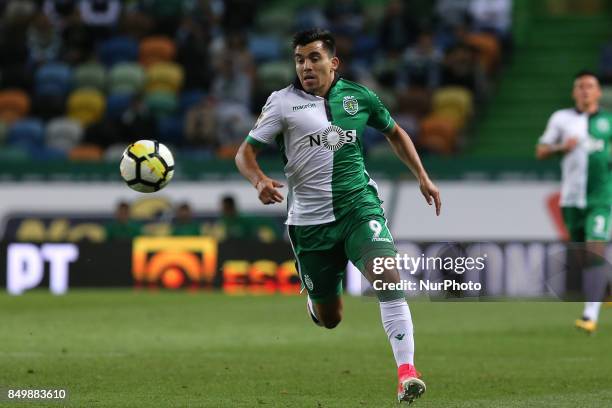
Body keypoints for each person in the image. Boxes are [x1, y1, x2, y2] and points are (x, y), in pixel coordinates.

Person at [235, 29, 441, 404]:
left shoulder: (359, 97)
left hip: (358, 207)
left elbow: (395, 133)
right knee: (331, 318)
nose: (306, 66)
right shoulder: (281, 103)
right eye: (299, 59)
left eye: (314, 58)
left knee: (387, 277)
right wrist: (259, 179)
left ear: (333, 62)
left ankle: (406, 373)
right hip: (309, 224)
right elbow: (244, 154)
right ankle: (317, 302)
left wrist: (423, 177)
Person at [535, 70, 612, 334]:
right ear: (574, 92)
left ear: (598, 92)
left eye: (590, 86)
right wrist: (561, 148)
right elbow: (541, 150)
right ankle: (607, 289)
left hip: (601, 198)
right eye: (580, 86)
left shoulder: (609, 122)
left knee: (594, 249)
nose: (585, 91)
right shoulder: (561, 119)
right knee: (582, 256)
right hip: (571, 199)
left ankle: (589, 315)